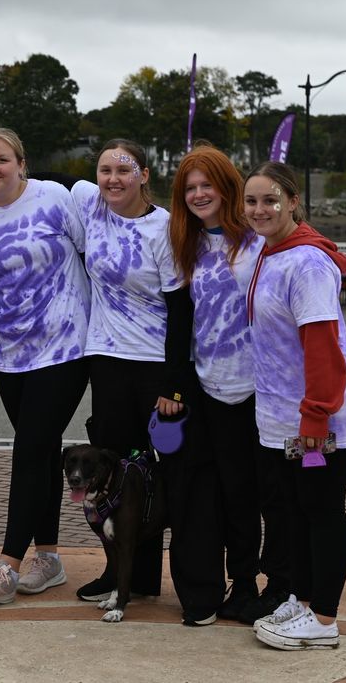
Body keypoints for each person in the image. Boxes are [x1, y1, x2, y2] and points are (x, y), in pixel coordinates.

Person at [67, 139, 222, 625]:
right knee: (117, 483)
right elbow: (24, 188)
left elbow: (182, 308)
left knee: (179, 479)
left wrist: (175, 385)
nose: (113, 179)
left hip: (158, 366)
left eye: (123, 170)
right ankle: (127, 578)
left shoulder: (166, 228)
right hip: (107, 363)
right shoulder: (89, 206)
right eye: (105, 169)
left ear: (145, 174)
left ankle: (200, 590)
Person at [243, 161, 346, 651]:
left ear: (293, 201)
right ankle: (302, 598)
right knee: (295, 514)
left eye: (270, 200)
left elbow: (323, 345)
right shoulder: (271, 252)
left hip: (321, 421)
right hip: (283, 419)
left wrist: (315, 415)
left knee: (321, 511)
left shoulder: (307, 264)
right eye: (251, 201)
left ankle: (324, 618)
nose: (260, 210)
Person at [0, 128, 90, 604]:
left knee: (30, 448)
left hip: (65, 347)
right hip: (10, 355)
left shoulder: (54, 197)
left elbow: (92, 248)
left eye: (1, 160)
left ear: (21, 162)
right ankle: (49, 559)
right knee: (41, 450)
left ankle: (8, 564)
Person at [168, 146, 289, 625]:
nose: (199, 194)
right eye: (190, 188)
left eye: (207, 185)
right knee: (232, 493)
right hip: (212, 389)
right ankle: (241, 582)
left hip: (264, 388)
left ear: (228, 187)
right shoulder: (187, 244)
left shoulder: (260, 240)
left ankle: (281, 583)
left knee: (274, 493)